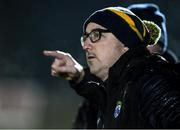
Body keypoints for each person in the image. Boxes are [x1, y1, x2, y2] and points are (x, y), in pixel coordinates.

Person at [44, 6, 180, 128]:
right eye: (85, 38)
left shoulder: (152, 83)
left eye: (96, 35)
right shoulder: (115, 89)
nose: (86, 45)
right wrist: (79, 75)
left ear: (126, 42)